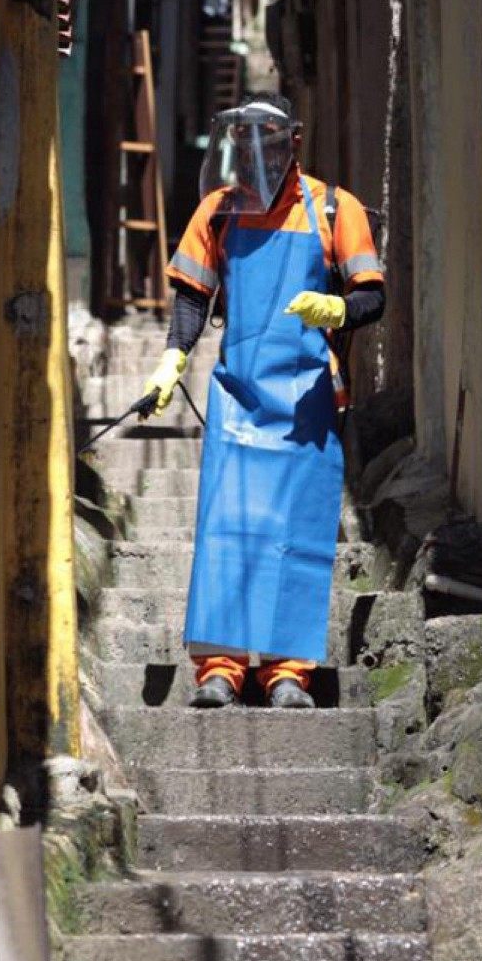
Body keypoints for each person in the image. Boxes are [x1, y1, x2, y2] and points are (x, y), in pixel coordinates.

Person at [143, 95, 384, 710]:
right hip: (238, 396)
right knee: (228, 529)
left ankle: (287, 672)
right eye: (244, 141)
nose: (256, 154)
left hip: (307, 400)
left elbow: (372, 295)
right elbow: (194, 296)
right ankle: (220, 669)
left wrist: (338, 309)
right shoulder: (218, 212)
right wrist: (174, 359)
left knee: (296, 530)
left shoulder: (335, 209)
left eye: (267, 141)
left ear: (291, 144)